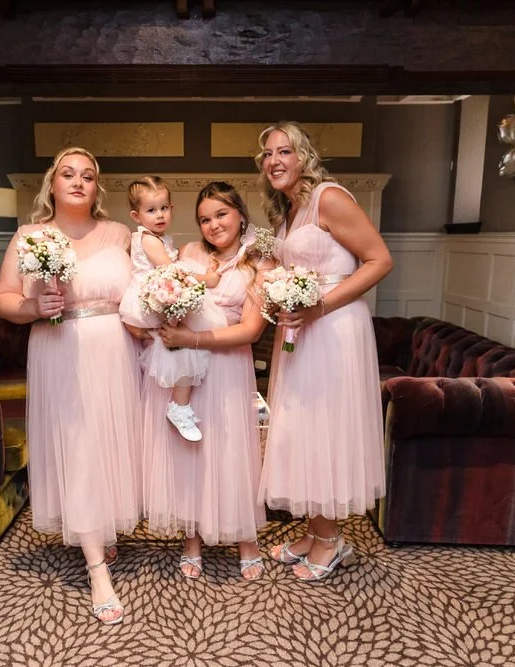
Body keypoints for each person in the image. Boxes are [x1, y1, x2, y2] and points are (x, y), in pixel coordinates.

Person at [0, 147, 141, 624]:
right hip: (59, 349)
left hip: (116, 351)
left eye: (89, 176)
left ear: (98, 187)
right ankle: (97, 568)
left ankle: (99, 527)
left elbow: (144, 292)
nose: (79, 182)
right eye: (68, 174)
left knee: (109, 445)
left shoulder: (120, 234)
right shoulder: (31, 235)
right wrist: (33, 308)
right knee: (77, 446)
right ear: (52, 184)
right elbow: (4, 299)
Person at [256, 121, 394, 581]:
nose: (274, 160)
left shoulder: (329, 198)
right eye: (268, 154)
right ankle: (315, 534)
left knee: (327, 425)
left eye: (284, 151)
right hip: (301, 331)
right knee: (303, 428)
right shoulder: (287, 211)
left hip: (334, 328)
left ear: (303, 157)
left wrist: (318, 306)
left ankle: (333, 540)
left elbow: (379, 260)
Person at [147, 181, 270, 581]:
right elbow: (170, 301)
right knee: (190, 451)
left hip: (230, 363)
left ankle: (245, 536)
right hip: (188, 367)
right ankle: (192, 537)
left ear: (239, 213)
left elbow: (251, 330)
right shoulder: (188, 254)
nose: (213, 224)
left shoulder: (260, 262)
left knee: (234, 447)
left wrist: (192, 337)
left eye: (221, 214)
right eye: (204, 218)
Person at [118, 175, 222, 442]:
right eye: (151, 210)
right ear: (136, 215)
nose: (160, 215)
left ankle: (180, 404)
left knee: (180, 347)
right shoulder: (150, 240)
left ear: (172, 209)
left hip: (160, 293)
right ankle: (179, 406)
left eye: (164, 208)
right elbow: (172, 272)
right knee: (183, 348)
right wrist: (207, 280)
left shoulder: (160, 238)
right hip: (152, 297)